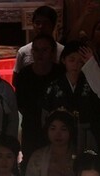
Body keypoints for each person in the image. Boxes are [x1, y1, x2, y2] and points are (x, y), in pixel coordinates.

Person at [42, 40, 100, 152]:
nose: (76, 64)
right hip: (60, 136)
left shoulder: (91, 83)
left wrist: (90, 62)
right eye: (72, 60)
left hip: (86, 137)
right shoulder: (53, 86)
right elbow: (45, 115)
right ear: (63, 60)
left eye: (81, 61)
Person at [15, 34, 65, 162]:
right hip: (31, 129)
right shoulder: (24, 75)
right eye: (36, 50)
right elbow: (20, 104)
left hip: (57, 130)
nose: (40, 54)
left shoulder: (61, 74)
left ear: (53, 52)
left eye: (44, 50)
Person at [24, 109, 77, 176]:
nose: (58, 134)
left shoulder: (79, 157)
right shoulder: (38, 157)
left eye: (63, 129)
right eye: (53, 129)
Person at [12, 5, 64, 82]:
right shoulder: (23, 52)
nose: (41, 26)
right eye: (37, 23)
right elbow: (16, 80)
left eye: (46, 23)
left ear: (53, 25)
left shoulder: (63, 51)